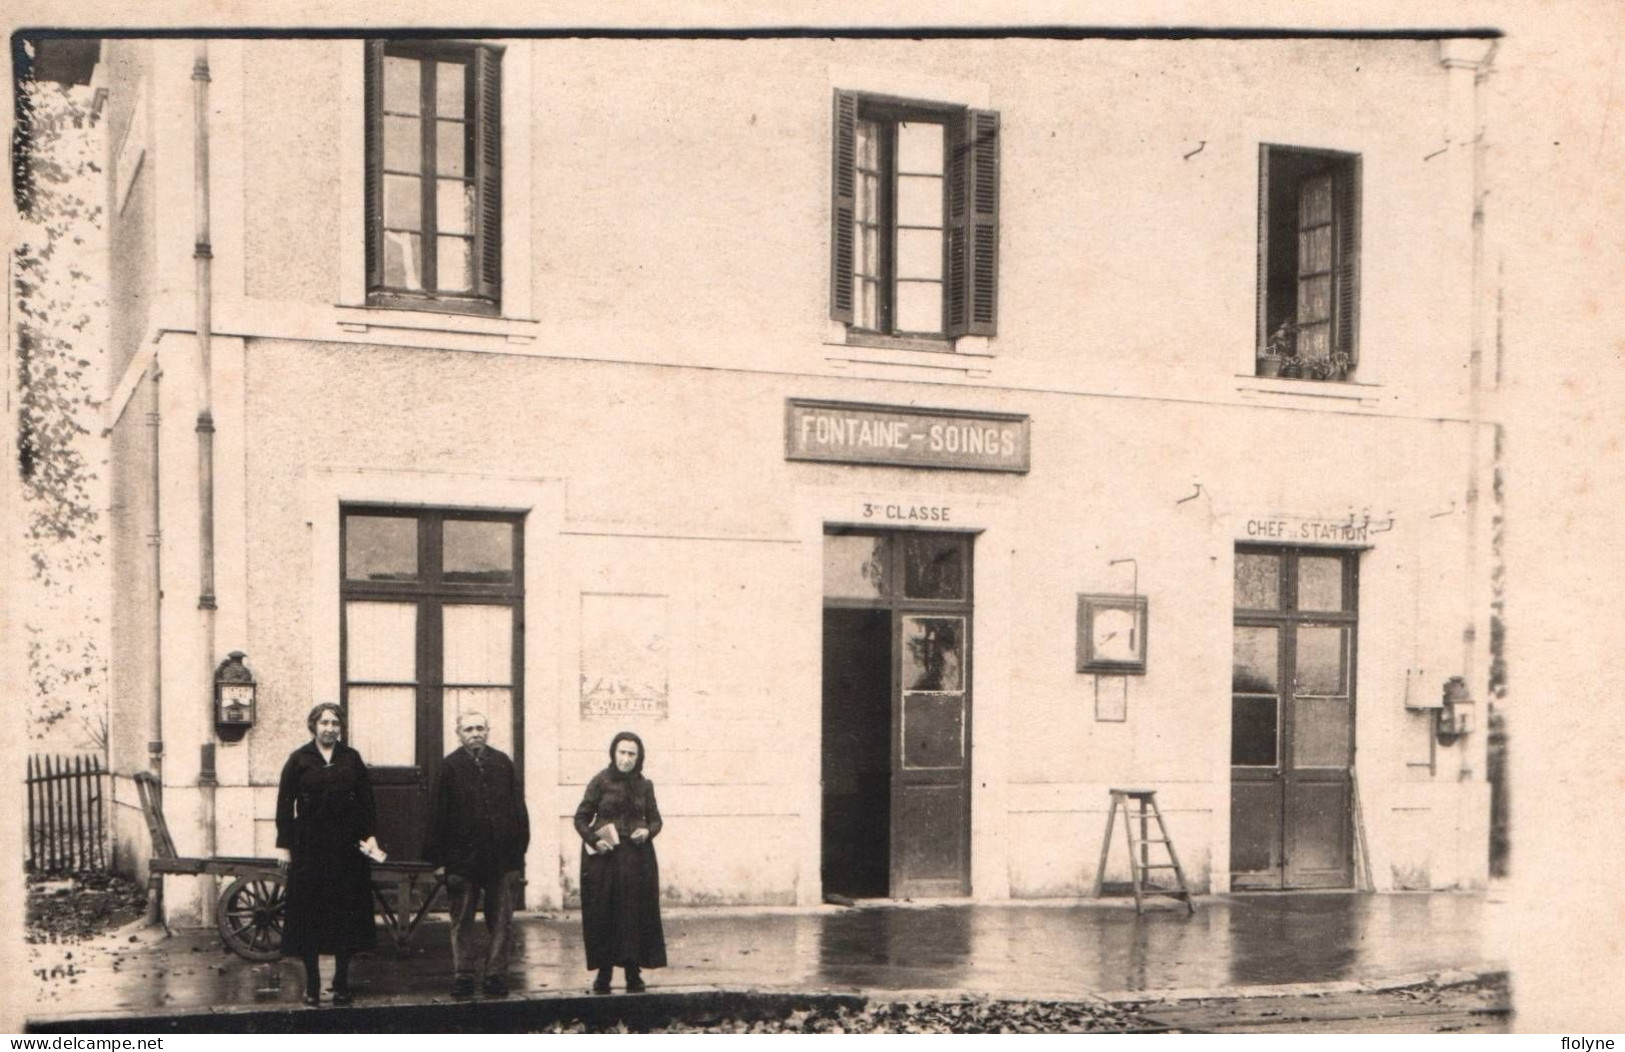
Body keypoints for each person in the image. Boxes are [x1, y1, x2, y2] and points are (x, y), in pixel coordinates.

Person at [275, 703, 380, 1007]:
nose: (330, 728)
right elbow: (284, 805)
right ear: (313, 726)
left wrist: (370, 835)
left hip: (347, 849)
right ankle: (313, 983)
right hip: (309, 848)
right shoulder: (299, 760)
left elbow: (366, 802)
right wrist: (284, 844)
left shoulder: (352, 758)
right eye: (324, 723)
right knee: (310, 915)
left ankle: (341, 982)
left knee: (345, 915)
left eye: (335, 723)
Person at [424, 711, 530, 999]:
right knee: (462, 922)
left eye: (480, 728)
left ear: (488, 731)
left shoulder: (502, 763)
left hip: (499, 861)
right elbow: (437, 816)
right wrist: (439, 862)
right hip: (462, 862)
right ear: (458, 734)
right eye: (469, 729)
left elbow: (519, 811)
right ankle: (464, 977)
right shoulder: (450, 767)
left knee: (501, 921)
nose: (475, 733)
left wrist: (517, 857)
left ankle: (495, 975)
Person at [574, 731, 667, 993]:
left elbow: (656, 819)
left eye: (632, 754)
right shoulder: (600, 781)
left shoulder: (645, 785)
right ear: (613, 754)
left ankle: (632, 973)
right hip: (605, 860)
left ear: (639, 757)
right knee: (604, 913)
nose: (626, 759)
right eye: (622, 753)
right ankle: (603, 974)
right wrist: (594, 840)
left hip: (638, 860)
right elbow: (580, 818)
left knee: (634, 915)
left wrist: (648, 831)